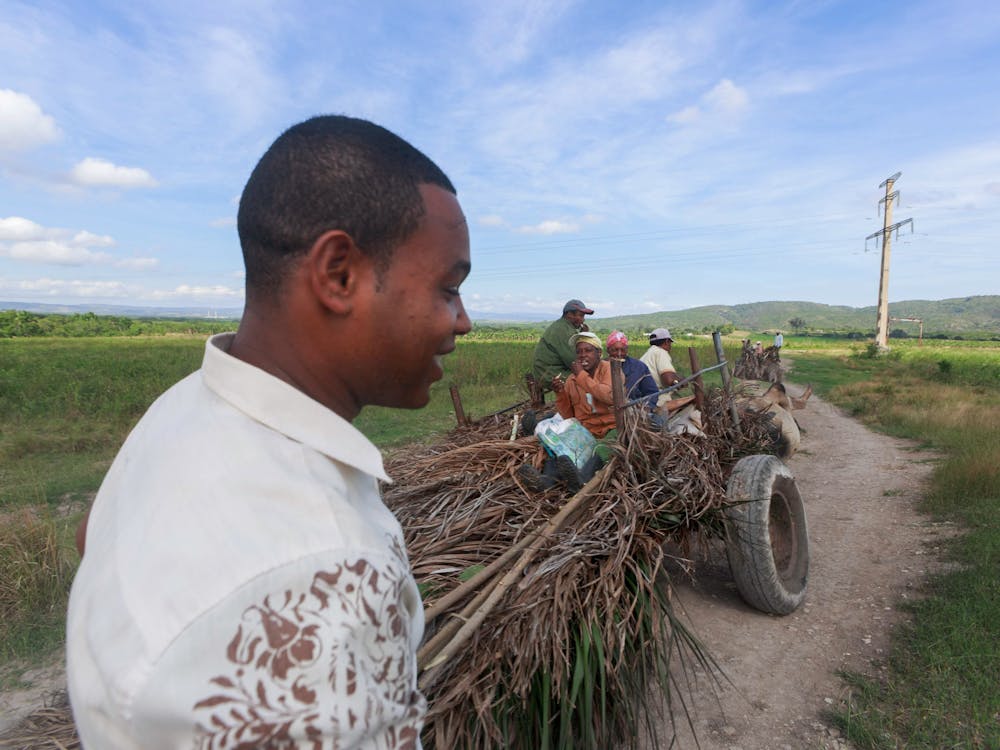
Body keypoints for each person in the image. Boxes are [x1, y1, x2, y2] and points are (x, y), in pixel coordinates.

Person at [66, 115, 472, 748]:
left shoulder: (183, 404)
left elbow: (94, 534)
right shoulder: (322, 575)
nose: (464, 321)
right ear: (338, 275)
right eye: (449, 288)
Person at [518, 332, 615, 493]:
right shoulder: (572, 380)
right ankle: (546, 482)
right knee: (560, 447)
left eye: (588, 350)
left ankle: (582, 479)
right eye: (579, 351)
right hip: (587, 430)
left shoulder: (609, 369)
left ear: (599, 353)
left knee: (603, 448)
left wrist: (581, 375)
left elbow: (607, 396)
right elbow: (568, 416)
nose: (583, 355)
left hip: (612, 426)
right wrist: (561, 393)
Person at [531, 299, 594, 385]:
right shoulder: (563, 331)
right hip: (550, 374)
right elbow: (574, 360)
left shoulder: (562, 326)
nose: (583, 320)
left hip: (548, 371)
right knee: (589, 379)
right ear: (569, 314)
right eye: (581, 315)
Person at [605, 330, 658, 411]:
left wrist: (647, 406)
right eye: (615, 350)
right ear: (608, 350)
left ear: (627, 350)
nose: (619, 354)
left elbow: (652, 392)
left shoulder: (639, 367)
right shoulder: (600, 367)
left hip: (634, 412)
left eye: (623, 350)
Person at [639, 327, 682, 413]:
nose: (670, 346)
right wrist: (680, 382)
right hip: (658, 401)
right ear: (666, 341)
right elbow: (669, 380)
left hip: (643, 401)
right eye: (670, 343)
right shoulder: (661, 352)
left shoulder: (647, 355)